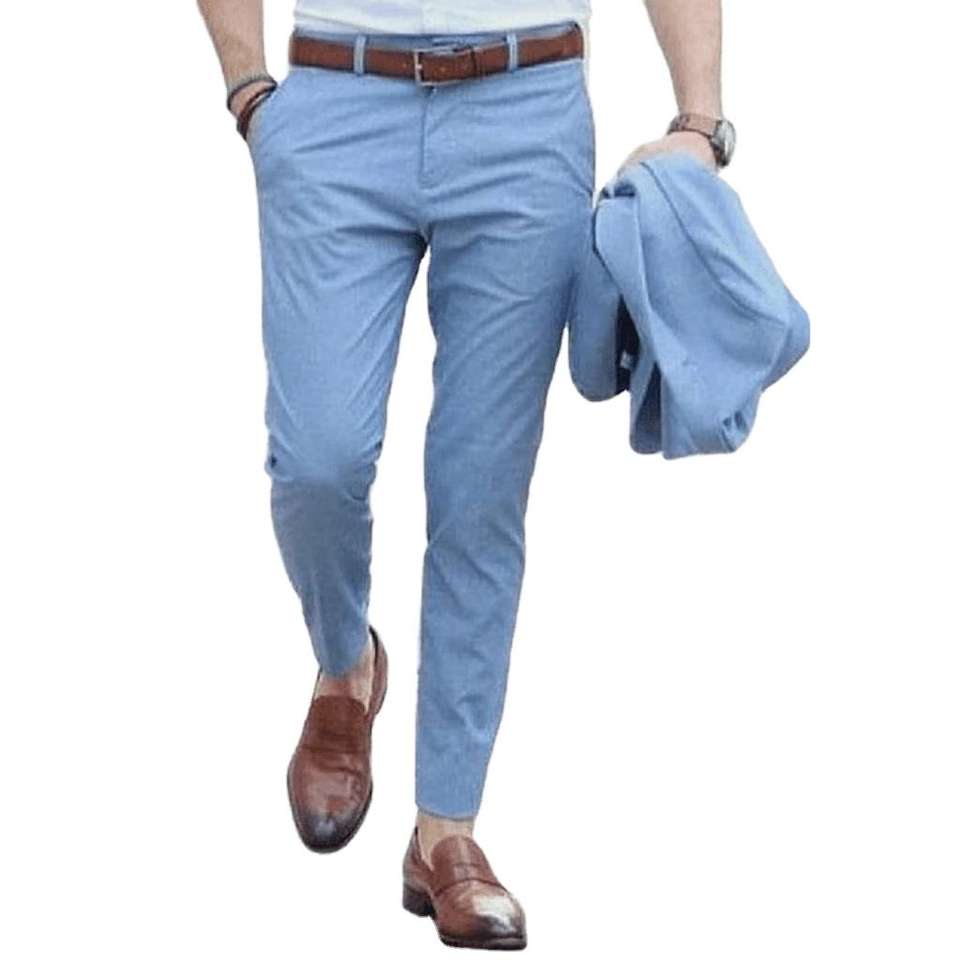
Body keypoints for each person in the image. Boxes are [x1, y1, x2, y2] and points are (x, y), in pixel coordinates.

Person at [197, 0, 733, 949]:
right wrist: (248, 90)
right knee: (318, 459)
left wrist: (699, 118)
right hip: (334, 105)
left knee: (480, 490)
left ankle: (445, 831)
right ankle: (345, 665)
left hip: (525, 116)